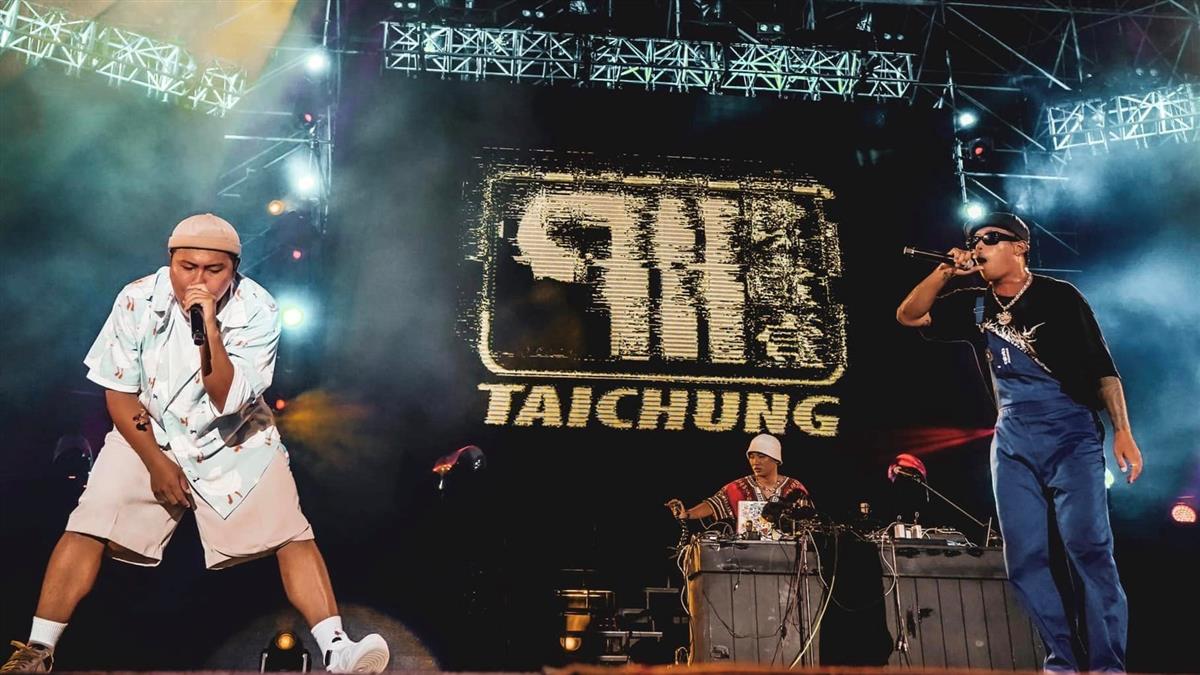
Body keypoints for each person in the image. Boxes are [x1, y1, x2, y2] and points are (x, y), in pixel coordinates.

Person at [2, 214, 389, 673]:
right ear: (170, 262)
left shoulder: (258, 309)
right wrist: (155, 463)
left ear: (234, 269)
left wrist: (209, 329)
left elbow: (226, 397)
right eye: (187, 267)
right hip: (150, 428)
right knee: (89, 523)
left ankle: (337, 648)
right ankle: (37, 651)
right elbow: (119, 392)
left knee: (292, 534)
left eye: (213, 270)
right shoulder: (136, 299)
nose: (198, 280)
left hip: (236, 436)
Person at [895, 211, 1142, 672]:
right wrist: (944, 272)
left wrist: (1123, 431)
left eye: (991, 238)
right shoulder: (973, 304)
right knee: (1024, 557)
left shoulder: (1059, 296)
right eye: (975, 240)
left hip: (1071, 432)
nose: (979, 246)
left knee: (1088, 548)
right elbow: (908, 315)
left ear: (1020, 247)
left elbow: (1103, 370)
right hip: (1012, 437)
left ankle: (1107, 665)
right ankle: (1062, 661)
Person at [665, 434, 809, 527]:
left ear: (776, 459)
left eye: (761, 456)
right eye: (751, 456)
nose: (755, 462)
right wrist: (687, 514)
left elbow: (809, 521)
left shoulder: (794, 487)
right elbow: (714, 504)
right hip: (744, 556)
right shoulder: (738, 486)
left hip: (788, 558)